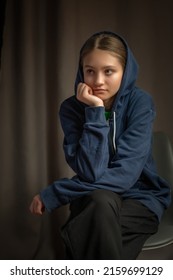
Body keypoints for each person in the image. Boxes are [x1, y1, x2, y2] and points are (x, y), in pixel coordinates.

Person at [30, 31, 171, 260]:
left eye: (109, 71)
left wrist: (59, 191)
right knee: (99, 206)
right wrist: (95, 111)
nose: (98, 81)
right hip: (95, 198)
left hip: (141, 198)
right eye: (90, 71)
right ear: (81, 71)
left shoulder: (139, 103)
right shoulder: (72, 109)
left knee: (91, 229)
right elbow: (90, 171)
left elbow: (125, 176)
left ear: (125, 72)